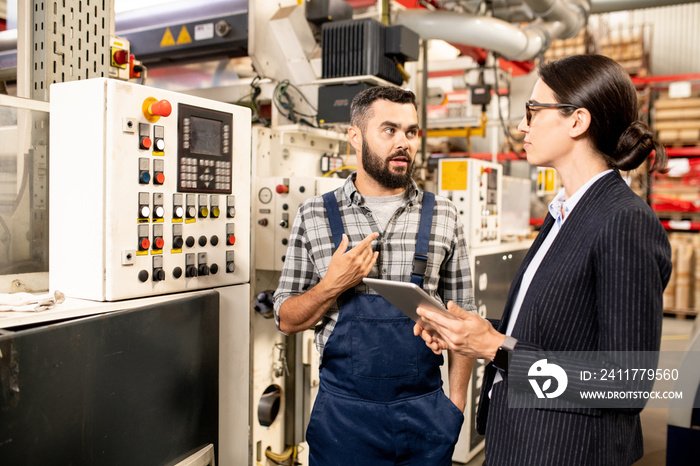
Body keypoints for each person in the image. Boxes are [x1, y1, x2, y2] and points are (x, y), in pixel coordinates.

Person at [414, 54, 673, 465]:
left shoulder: (623, 220)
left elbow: (626, 382)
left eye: (533, 112)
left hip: (565, 450)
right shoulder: (565, 214)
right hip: (522, 440)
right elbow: (556, 330)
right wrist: (474, 334)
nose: (522, 126)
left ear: (577, 121)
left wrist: (497, 348)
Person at [273, 85, 475, 465]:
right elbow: (286, 319)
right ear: (355, 135)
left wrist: (456, 405)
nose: (404, 142)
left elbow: (464, 313)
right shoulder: (315, 214)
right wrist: (333, 285)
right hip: (344, 420)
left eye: (411, 132)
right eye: (389, 130)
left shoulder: (444, 215)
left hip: (426, 414)